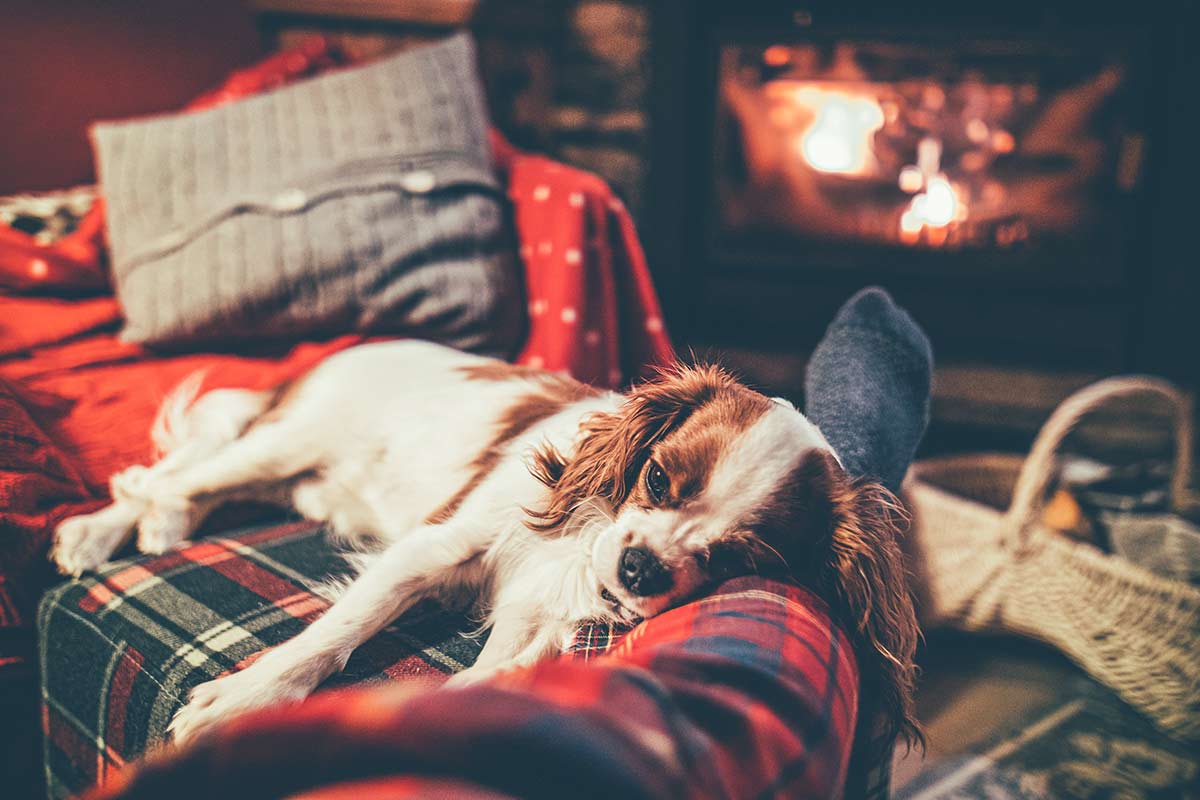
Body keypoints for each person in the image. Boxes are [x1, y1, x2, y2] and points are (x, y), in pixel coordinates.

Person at [91, 287, 933, 800]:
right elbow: (430, 554)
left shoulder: (747, 547)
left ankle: (855, 456)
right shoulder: (588, 449)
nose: (650, 549)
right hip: (380, 396)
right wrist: (283, 673)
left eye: (725, 555)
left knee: (297, 484)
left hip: (351, 490)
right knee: (265, 457)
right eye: (661, 489)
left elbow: (527, 623)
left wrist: (475, 697)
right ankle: (170, 487)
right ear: (641, 447)